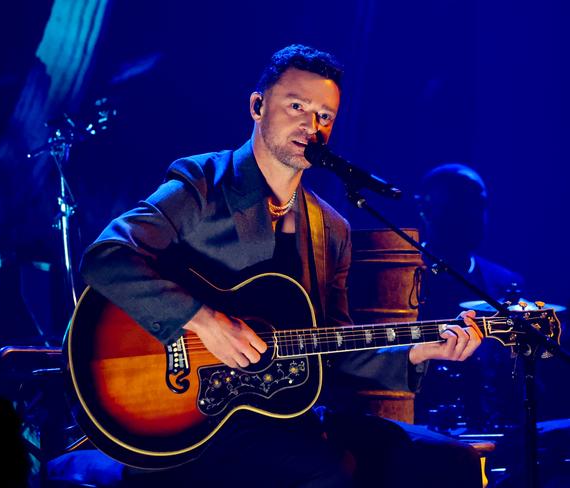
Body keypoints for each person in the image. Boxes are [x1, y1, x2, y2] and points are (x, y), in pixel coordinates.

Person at [79, 44, 483, 487]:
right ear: (257, 105)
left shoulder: (331, 228)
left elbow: (333, 348)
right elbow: (106, 257)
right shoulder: (201, 184)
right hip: (193, 414)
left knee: (448, 460)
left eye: (324, 116)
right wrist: (205, 322)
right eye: (297, 106)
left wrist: (418, 351)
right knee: (326, 473)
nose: (311, 126)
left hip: (281, 409)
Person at [414, 163, 525, 433]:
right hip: (420, 430)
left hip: (491, 429)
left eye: (479, 204)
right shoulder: (401, 280)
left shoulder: (505, 282)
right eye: (458, 205)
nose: (473, 216)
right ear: (426, 212)